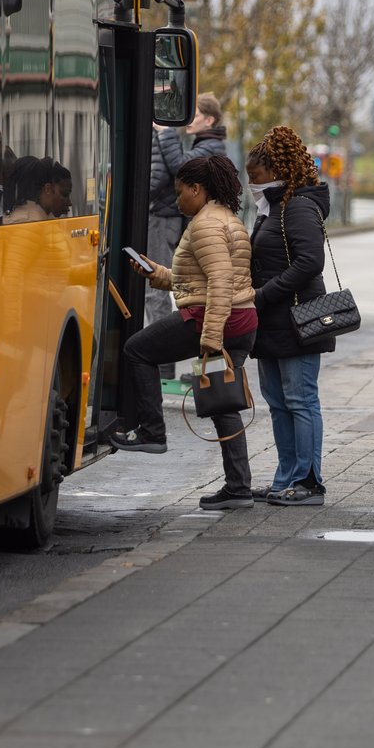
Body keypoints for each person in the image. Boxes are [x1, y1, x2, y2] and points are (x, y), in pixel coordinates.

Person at [110, 153, 258, 510]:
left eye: (180, 193)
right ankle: (238, 487)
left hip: (214, 320)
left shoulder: (206, 225)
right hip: (240, 321)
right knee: (224, 404)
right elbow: (199, 280)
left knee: (137, 350)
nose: (177, 200)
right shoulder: (226, 218)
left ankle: (152, 431)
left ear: (197, 189)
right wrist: (156, 274)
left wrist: (210, 338)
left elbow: (221, 281)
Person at [245, 125, 332, 506]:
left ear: (277, 170)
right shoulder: (273, 208)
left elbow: (311, 262)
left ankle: (308, 482)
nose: (252, 184)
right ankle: (285, 480)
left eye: (256, 177)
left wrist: (263, 294)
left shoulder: (297, 206)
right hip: (273, 322)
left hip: (297, 320)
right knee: (279, 403)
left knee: (300, 400)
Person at [148, 92, 227, 380]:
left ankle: (209, 376)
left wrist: (166, 132)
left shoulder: (210, 148)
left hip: (203, 230)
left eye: (193, 115)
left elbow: (181, 166)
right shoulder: (207, 145)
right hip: (199, 228)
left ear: (209, 119)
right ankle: (208, 374)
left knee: (205, 302)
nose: (187, 120)